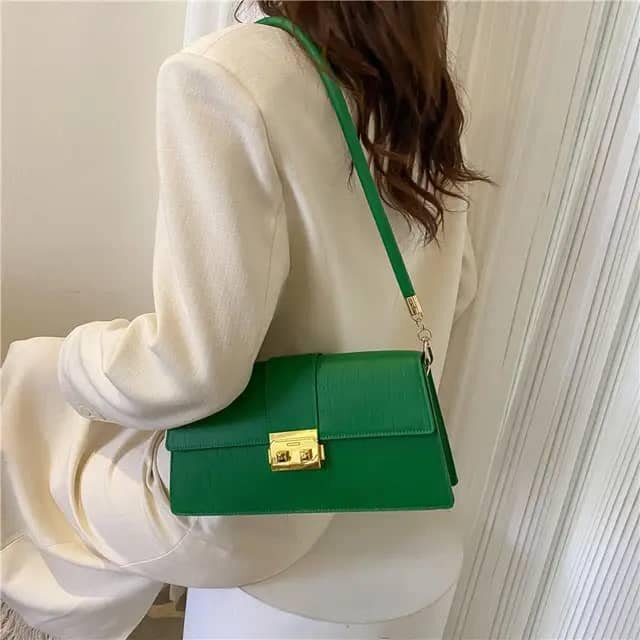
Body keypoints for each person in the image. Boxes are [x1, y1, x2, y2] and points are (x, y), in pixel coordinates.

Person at [1, 1, 487, 638]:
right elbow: (461, 287)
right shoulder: (416, 80)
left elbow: (193, 370)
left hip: (259, 495)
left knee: (30, 387)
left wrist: (73, 359)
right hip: (380, 463)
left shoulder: (223, 75)